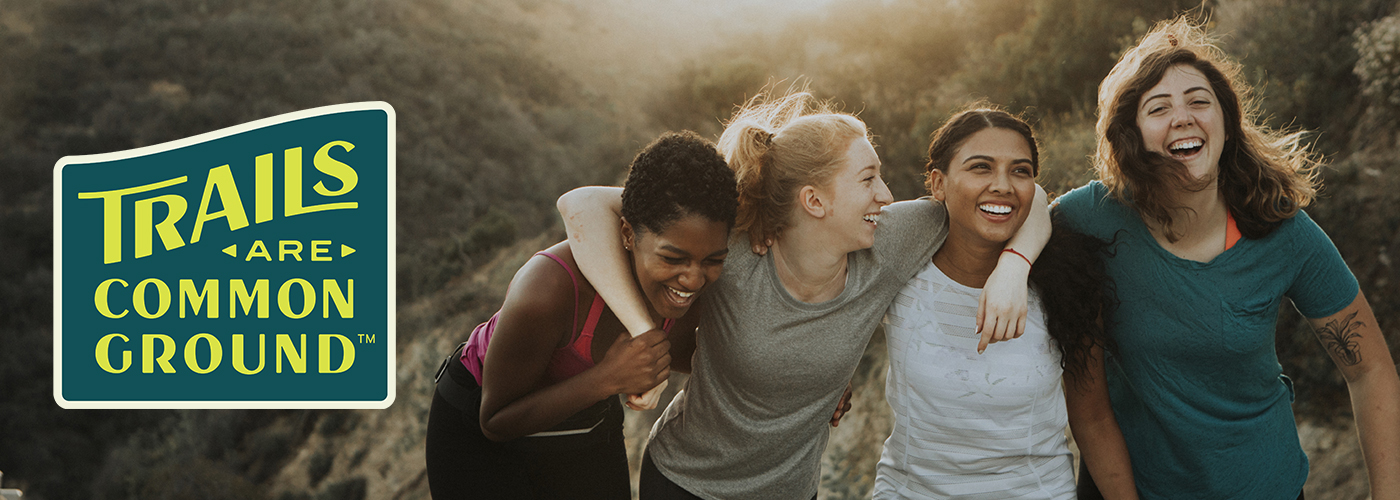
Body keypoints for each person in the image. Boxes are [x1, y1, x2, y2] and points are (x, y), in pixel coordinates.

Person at [556, 89, 1051, 500]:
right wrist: (646, 338)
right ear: (814, 201)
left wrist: (1014, 267)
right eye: (868, 179)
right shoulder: (734, 248)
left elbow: (1027, 196)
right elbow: (581, 205)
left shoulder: (893, 238)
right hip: (687, 482)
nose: (886, 194)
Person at [1057, 18, 1400, 499]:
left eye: (1200, 101)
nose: (1183, 117)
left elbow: (1370, 370)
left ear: (1226, 121)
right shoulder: (1091, 217)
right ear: (1130, 133)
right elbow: (1020, 209)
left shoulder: (1282, 229)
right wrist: (1012, 262)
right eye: (1159, 108)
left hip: (1265, 485)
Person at [424, 131, 739, 500]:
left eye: (713, 260)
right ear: (627, 233)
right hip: (479, 432)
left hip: (585, 422)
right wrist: (608, 378)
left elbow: (716, 359)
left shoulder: (691, 293)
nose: (693, 278)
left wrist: (819, 385)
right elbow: (495, 420)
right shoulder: (548, 290)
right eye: (672, 258)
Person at [873, 106, 1137, 499]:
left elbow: (1094, 420)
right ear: (938, 184)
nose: (1002, 185)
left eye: (1020, 171)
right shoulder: (901, 263)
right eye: (980, 167)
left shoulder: (1068, 283)